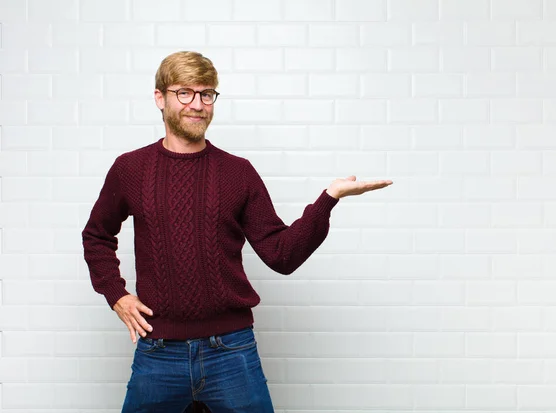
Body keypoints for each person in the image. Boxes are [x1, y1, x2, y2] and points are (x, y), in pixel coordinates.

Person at [82, 51, 393, 413]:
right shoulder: (130, 169)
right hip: (158, 351)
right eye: (184, 93)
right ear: (160, 98)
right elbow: (97, 235)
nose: (197, 104)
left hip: (230, 351)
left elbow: (282, 254)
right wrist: (116, 294)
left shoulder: (238, 172)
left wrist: (329, 199)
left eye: (206, 94)